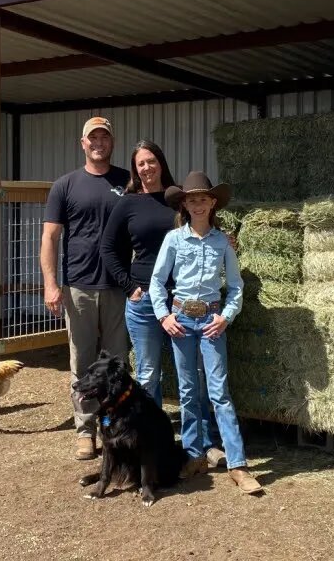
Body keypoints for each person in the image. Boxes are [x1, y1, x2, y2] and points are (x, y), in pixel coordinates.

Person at [100, 141, 225, 466]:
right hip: (143, 303)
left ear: (160, 163)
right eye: (140, 163)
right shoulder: (128, 204)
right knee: (148, 375)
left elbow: (207, 226)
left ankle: (203, 443)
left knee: (193, 375)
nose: (146, 168)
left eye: (151, 161)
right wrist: (129, 288)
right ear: (134, 168)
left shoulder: (178, 199)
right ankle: (148, 443)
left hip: (183, 303)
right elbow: (108, 248)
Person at [148, 171, 262, 494]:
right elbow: (158, 282)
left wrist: (225, 317)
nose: (197, 204)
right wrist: (164, 316)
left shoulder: (222, 243)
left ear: (212, 203)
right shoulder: (173, 240)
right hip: (181, 319)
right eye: (191, 199)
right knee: (187, 391)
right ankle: (194, 455)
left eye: (202, 199)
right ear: (184, 204)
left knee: (218, 391)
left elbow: (236, 287)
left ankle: (238, 465)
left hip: (212, 320)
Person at [41, 116, 131, 461]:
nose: (98, 143)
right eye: (92, 138)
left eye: (104, 137)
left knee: (118, 362)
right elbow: (50, 237)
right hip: (78, 286)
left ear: (112, 142)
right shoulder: (65, 185)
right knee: (82, 363)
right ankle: (85, 431)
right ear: (82, 144)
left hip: (118, 287)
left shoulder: (127, 181)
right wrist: (51, 284)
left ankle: (117, 426)